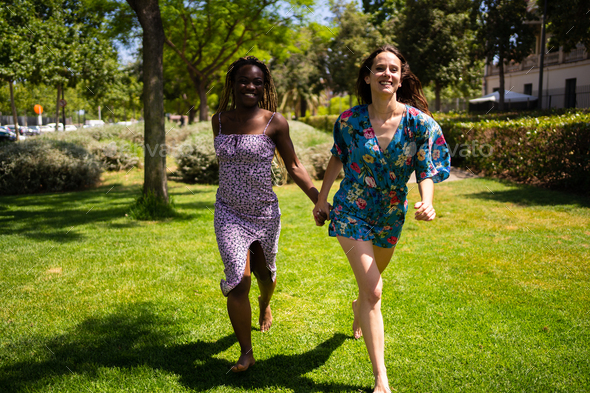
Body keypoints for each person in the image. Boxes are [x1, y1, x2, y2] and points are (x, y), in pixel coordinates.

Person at [313, 45, 451, 393]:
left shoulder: (419, 123)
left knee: (369, 287)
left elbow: (427, 168)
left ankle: (360, 304)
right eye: (379, 68)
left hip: (391, 213)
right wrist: (321, 198)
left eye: (394, 69)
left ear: (401, 77)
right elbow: (337, 158)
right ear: (367, 76)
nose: (387, 74)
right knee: (375, 289)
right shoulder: (349, 121)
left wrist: (428, 202)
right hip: (351, 209)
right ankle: (380, 380)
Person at [213, 56, 324, 373]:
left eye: (257, 82)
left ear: (264, 86)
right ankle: (246, 353)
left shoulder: (275, 121)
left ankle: (265, 305)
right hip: (228, 212)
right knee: (239, 281)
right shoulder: (218, 121)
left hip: (264, 213)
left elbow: (294, 166)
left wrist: (318, 199)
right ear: (233, 84)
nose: (250, 86)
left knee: (265, 275)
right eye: (244, 80)